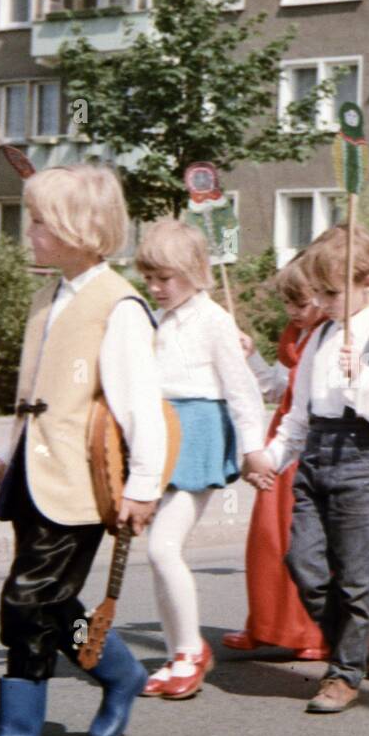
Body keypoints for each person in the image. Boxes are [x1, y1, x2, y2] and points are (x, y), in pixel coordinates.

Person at [0, 164, 166, 736]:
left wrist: (144, 485)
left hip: (79, 484)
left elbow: (139, 404)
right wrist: (3, 455)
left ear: (80, 230)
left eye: (40, 221)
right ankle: (122, 672)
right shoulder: (49, 295)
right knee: (52, 599)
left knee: (25, 600)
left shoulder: (118, 305)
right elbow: (36, 392)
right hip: (33, 476)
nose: (30, 232)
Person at [253, 226, 369, 712]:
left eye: (330, 292)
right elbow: (298, 414)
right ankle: (351, 641)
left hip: (364, 462)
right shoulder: (320, 336)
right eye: (318, 293)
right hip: (316, 457)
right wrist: (274, 457)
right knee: (302, 562)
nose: (322, 302)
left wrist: (360, 376)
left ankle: (344, 671)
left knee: (356, 574)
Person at [134, 218, 269, 701]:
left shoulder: (213, 320)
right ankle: (179, 653)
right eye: (147, 278)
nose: (154, 287)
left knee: (162, 549)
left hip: (199, 437)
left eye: (163, 278)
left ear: (194, 271)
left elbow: (242, 390)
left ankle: (190, 652)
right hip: (163, 437)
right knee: (158, 553)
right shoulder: (160, 319)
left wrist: (254, 448)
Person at [226, 254, 329, 660]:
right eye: (287, 304)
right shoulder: (295, 337)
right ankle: (268, 624)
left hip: (311, 447)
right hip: (282, 444)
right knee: (269, 539)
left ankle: (314, 631)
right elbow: (275, 389)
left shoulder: (332, 336)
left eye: (301, 304)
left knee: (306, 542)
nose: (293, 312)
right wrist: (248, 355)